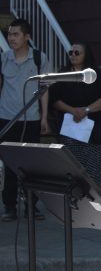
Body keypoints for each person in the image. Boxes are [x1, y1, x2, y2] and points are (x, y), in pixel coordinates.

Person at [0, 18, 49, 222]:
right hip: (6, 118)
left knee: (31, 164)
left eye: (15, 34)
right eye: (9, 34)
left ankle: (32, 206)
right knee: (10, 163)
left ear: (27, 36)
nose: (11, 38)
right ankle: (9, 206)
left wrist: (45, 117)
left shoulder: (39, 58)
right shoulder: (3, 58)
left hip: (31, 119)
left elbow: (44, 89)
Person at [49, 42, 101, 189]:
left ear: (86, 55)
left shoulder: (96, 74)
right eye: (71, 52)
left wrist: (86, 110)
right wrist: (73, 110)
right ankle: (75, 201)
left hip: (95, 129)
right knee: (71, 167)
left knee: (94, 167)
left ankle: (95, 201)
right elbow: (55, 100)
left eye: (77, 53)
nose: (73, 55)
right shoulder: (63, 74)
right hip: (69, 129)